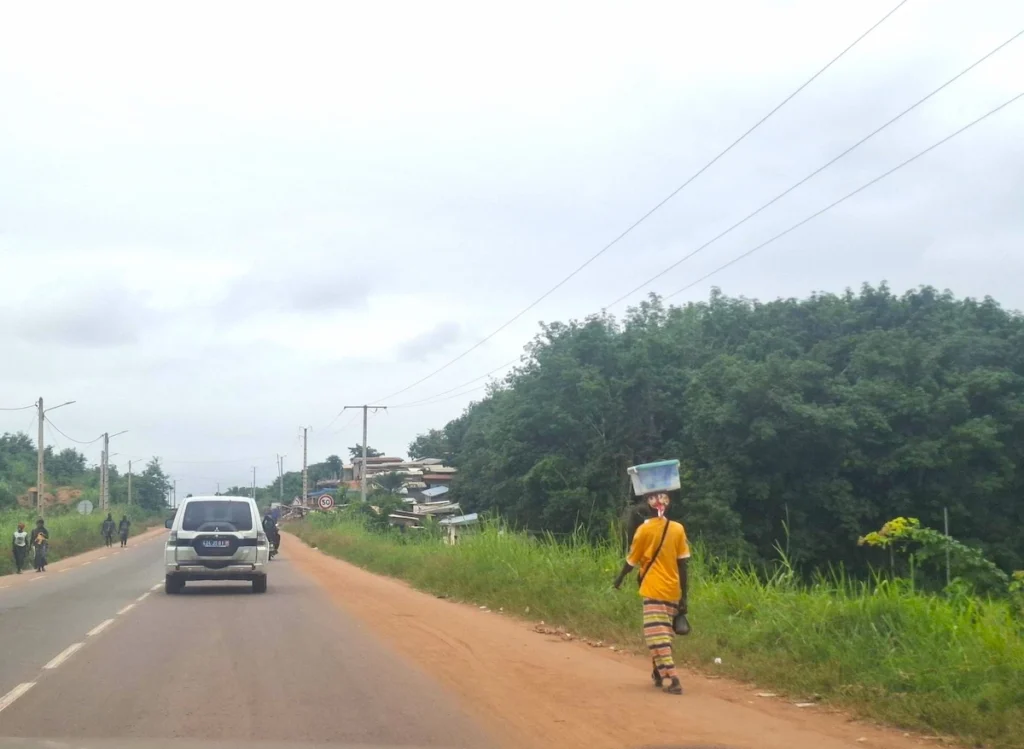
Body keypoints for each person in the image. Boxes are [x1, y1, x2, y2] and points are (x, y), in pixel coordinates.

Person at [613, 492, 690, 695]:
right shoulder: (678, 529)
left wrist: (619, 578)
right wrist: (684, 596)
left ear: (648, 507)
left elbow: (632, 560)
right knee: (664, 632)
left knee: (656, 636)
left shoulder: (644, 531)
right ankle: (657, 672)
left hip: (653, 589)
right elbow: (683, 565)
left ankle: (673, 679)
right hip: (672, 589)